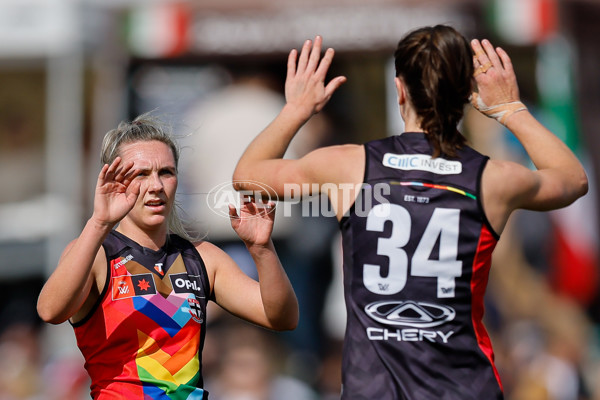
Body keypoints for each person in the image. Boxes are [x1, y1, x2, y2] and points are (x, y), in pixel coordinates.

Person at [232, 25, 588, 399]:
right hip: (466, 389)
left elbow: (247, 177)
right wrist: (510, 109)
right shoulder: (492, 178)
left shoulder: (350, 167)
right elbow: (572, 179)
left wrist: (296, 110)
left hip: (374, 391)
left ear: (399, 90)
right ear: (467, 94)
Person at [36, 113, 299, 399]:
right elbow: (51, 311)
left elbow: (282, 317)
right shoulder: (96, 253)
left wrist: (262, 250)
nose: (156, 186)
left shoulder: (202, 258)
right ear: (113, 180)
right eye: (140, 174)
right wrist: (99, 223)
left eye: (166, 172)